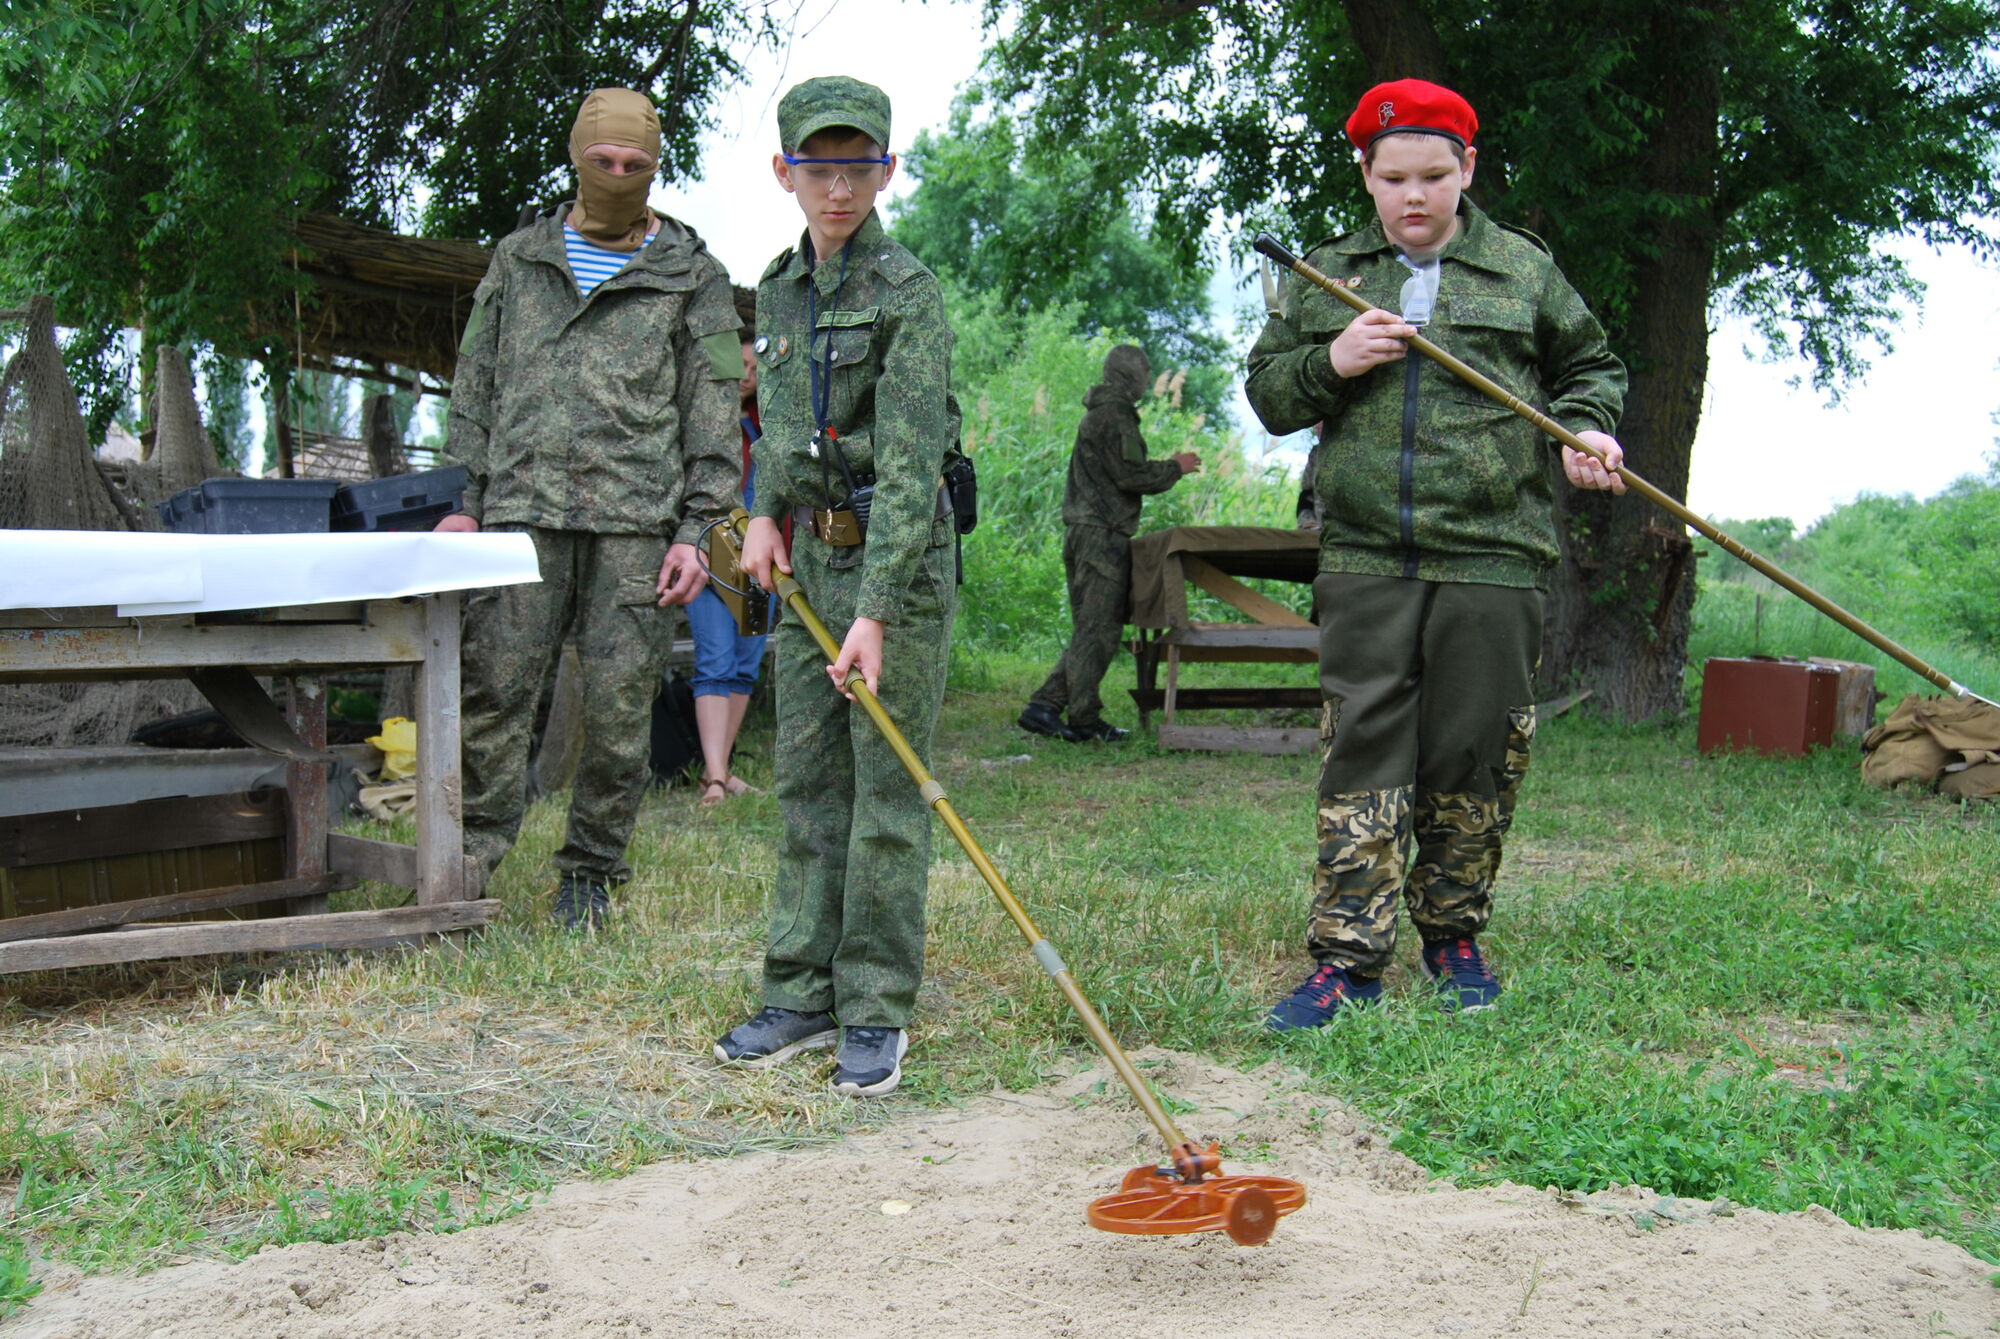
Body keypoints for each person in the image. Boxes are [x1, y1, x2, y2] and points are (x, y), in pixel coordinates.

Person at [1244, 78, 1627, 1026]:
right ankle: (1348, 958)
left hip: (1494, 554)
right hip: (1366, 554)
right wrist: (1332, 360)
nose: (1413, 196)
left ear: (1468, 170)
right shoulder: (1328, 274)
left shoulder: (1523, 270)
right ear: (1365, 176)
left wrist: (1587, 428)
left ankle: (1454, 938)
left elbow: (1590, 366)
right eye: (1393, 178)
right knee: (1361, 749)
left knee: (1476, 751)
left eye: (1433, 176)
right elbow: (1269, 394)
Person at [438, 87, 743, 929]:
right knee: (494, 698)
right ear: (576, 157)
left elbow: (714, 411)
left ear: (655, 168)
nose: (617, 174)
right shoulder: (519, 259)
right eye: (602, 160)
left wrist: (700, 529)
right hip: (520, 515)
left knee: (618, 714)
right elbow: (474, 384)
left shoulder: (695, 276)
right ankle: (466, 866)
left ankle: (591, 875)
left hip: (636, 526)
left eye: (635, 164)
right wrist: (462, 500)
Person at [713, 76, 961, 1097]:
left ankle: (873, 1006)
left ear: (886, 170)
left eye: (859, 166)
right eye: (819, 166)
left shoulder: (909, 293)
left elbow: (910, 467)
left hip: (894, 566)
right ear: (786, 172)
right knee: (808, 783)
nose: (840, 187)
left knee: (886, 791)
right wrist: (763, 511)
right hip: (809, 560)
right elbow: (776, 423)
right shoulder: (776, 288)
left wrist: (875, 612)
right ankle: (798, 990)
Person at [1018, 344, 1199, 743]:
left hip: (1087, 532)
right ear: (1130, 374)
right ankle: (1080, 718)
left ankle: (1045, 706)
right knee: (1098, 630)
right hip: (1100, 535)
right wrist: (1176, 467)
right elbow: (1130, 475)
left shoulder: (1102, 413)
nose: (1148, 379)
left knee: (1093, 629)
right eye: (1146, 372)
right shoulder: (1115, 416)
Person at [686, 298, 773, 807]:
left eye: (755, 369)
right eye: (739, 365)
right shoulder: (705, 424)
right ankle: (715, 777)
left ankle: (720, 769)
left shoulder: (766, 427)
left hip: (760, 561)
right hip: (711, 553)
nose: (746, 376)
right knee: (714, 661)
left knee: (744, 665)